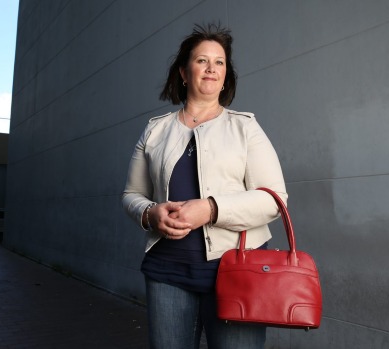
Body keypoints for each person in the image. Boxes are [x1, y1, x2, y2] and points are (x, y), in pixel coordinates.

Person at [121, 23, 287, 349]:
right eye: (202, 61)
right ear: (184, 72)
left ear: (226, 76)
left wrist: (210, 209)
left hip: (237, 272)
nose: (211, 68)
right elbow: (131, 195)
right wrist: (150, 213)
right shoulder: (155, 131)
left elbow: (275, 199)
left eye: (220, 62)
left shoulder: (246, 128)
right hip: (167, 273)